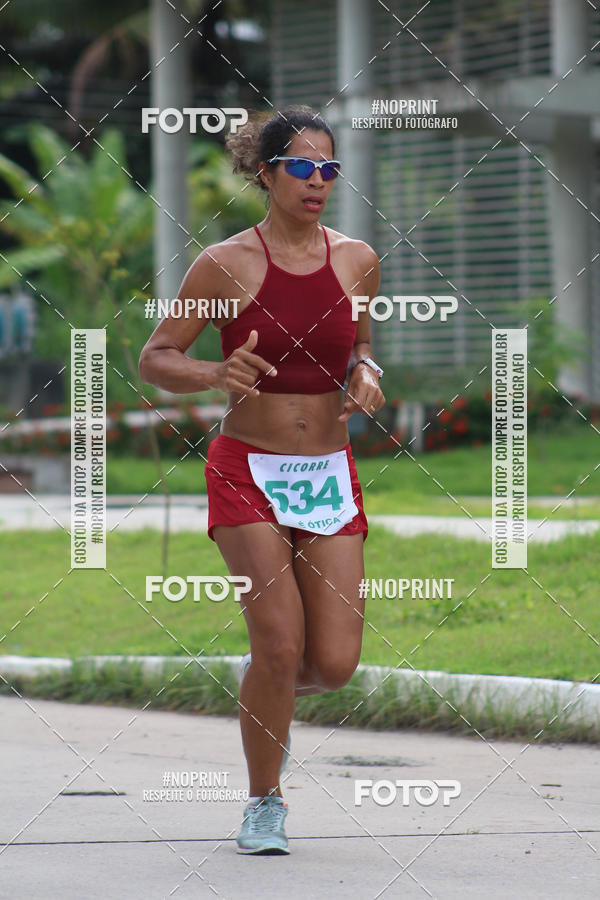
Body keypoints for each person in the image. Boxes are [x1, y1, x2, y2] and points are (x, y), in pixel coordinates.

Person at [139, 107, 385, 855]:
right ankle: (263, 802)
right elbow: (156, 357)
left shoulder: (358, 260)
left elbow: (364, 346)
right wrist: (213, 370)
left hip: (328, 473)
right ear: (266, 172)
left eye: (330, 169)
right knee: (279, 647)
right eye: (303, 168)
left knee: (334, 664)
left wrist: (368, 372)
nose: (319, 182)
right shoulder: (226, 265)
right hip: (247, 469)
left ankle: (262, 692)